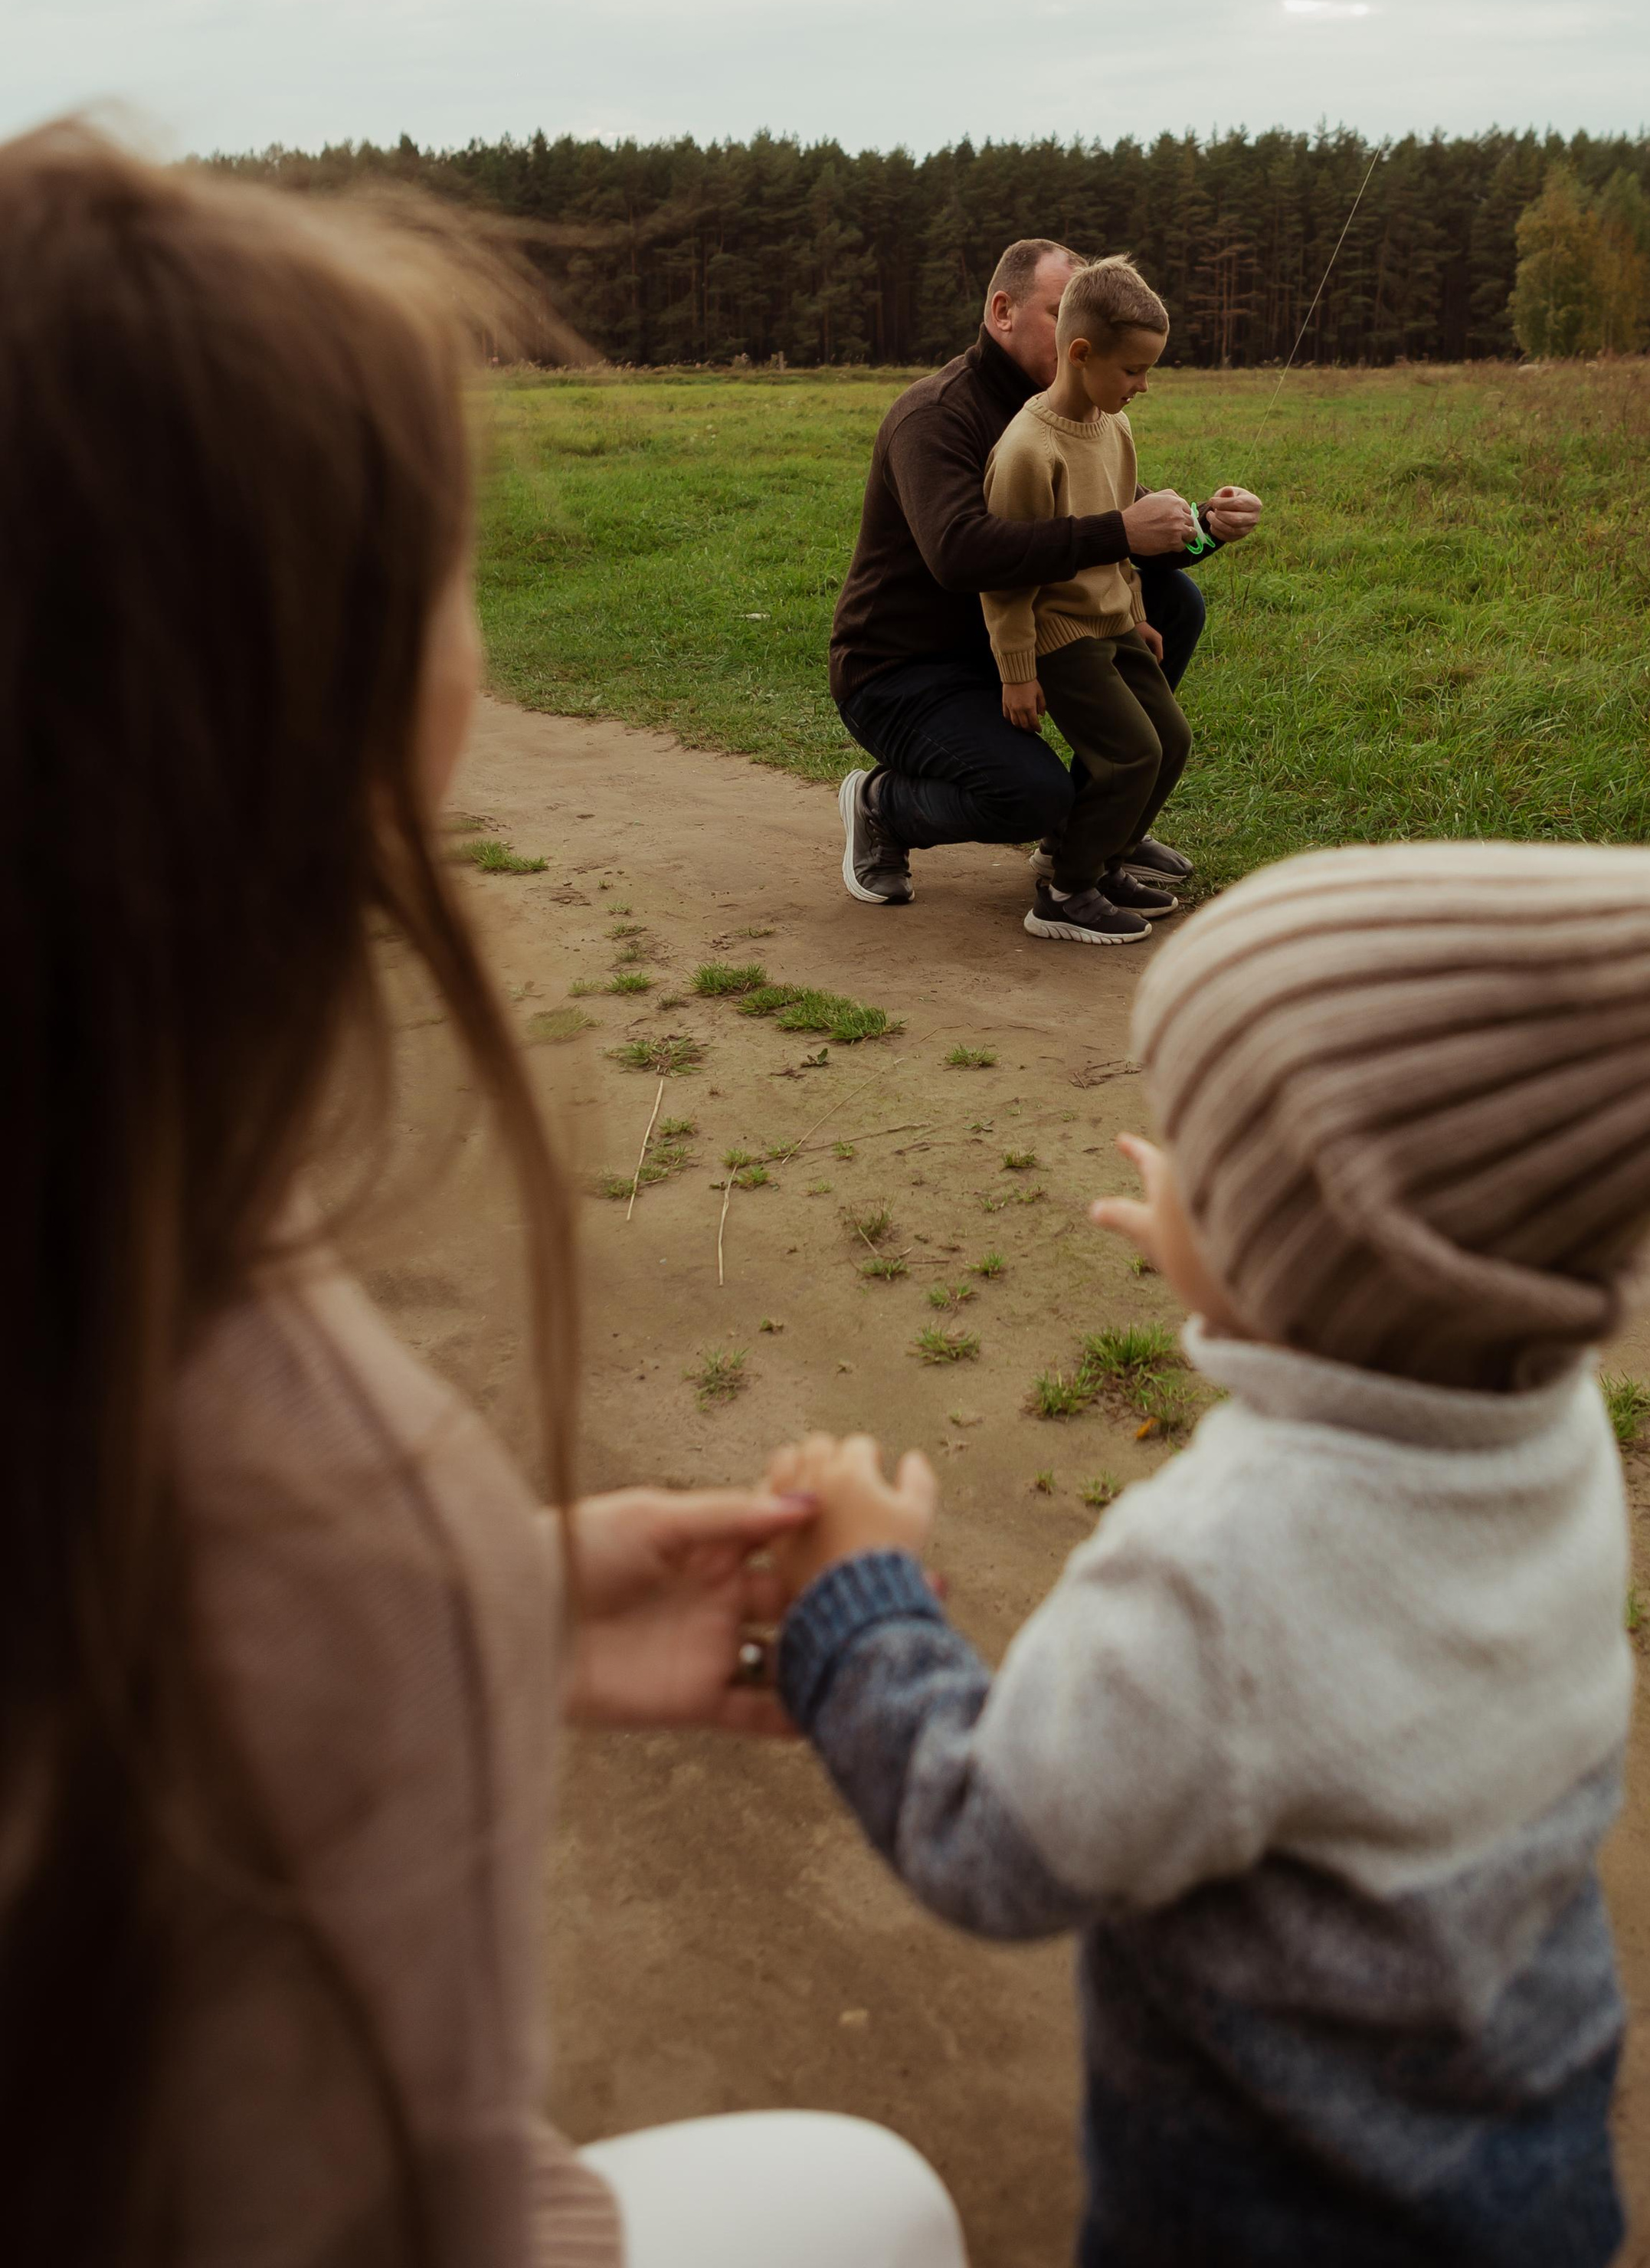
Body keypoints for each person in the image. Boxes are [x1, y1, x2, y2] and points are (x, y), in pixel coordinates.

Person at [0, 123, 964, 2268]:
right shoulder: (311, 1491)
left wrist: (493, 1610)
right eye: (451, 562)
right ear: (331, 708)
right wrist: (403, 1607)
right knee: (878, 2202)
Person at [756, 841, 1650, 2268]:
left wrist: (858, 1604)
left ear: (1306, 1243)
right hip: (1528, 2151)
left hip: (1270, 2208)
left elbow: (995, 1846)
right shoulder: (1540, 1425)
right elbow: (1377, 1302)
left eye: (1209, 1159)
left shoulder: (1216, 1579)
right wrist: (1241, 1254)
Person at [829, 237, 1262, 909]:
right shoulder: (936, 416)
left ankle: (1097, 825)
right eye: (1059, 313)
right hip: (907, 671)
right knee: (1028, 795)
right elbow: (960, 554)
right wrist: (1121, 529)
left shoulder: (1079, 411)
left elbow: (1126, 531)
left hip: (1025, 631)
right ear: (1001, 311)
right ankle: (884, 806)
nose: (1073, 332)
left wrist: (1206, 528)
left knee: (1175, 601)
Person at [980, 256, 1192, 947]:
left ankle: (1105, 861)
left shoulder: (1114, 427)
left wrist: (1136, 613)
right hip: (1058, 634)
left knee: (1171, 741)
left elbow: (1116, 538)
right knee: (1130, 754)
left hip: (1113, 620)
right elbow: (1005, 575)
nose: (1143, 386)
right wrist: (1017, 671)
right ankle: (1067, 891)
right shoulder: (1027, 450)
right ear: (1081, 353)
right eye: (1133, 370)